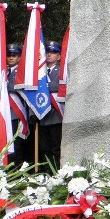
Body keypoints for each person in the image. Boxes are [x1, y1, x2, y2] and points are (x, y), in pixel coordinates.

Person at [38, 39, 63, 169]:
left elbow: (56, 86)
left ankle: (56, 172)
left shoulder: (61, 71)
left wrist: (42, 86)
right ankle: (45, 172)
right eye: (47, 51)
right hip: (42, 115)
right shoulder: (39, 72)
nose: (49, 54)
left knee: (55, 148)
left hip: (55, 115)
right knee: (43, 148)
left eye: (53, 52)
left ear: (58, 56)